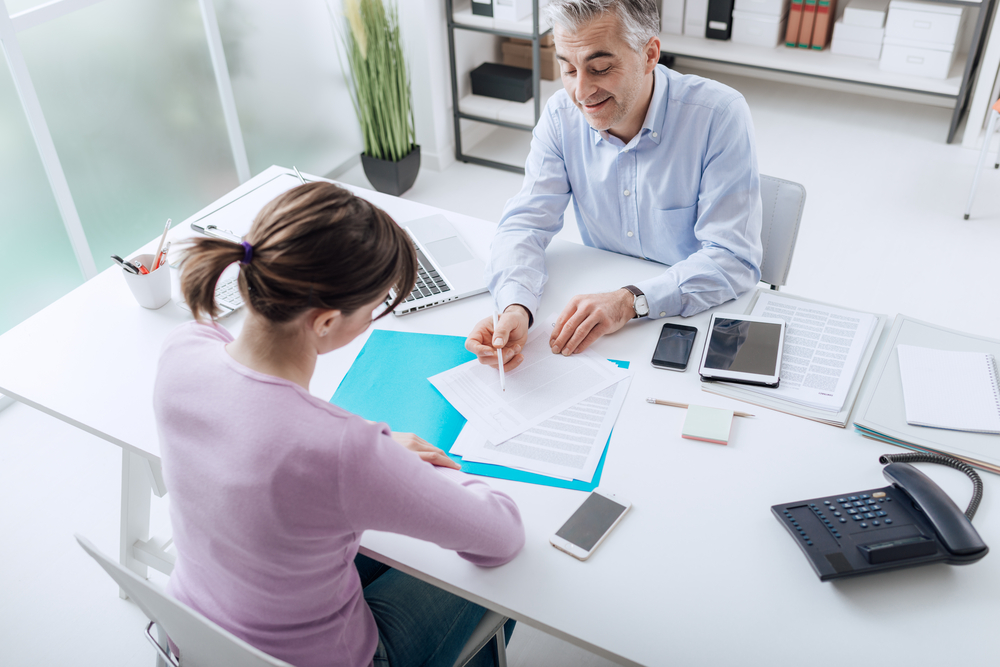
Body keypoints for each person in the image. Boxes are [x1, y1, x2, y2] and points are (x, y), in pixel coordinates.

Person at [154, 182, 524, 667]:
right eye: (372, 309)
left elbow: (256, 414)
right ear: (325, 322)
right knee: (505, 591)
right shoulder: (344, 451)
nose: (372, 317)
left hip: (195, 641)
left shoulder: (182, 349)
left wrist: (376, 458)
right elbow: (500, 537)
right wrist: (400, 464)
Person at [466, 0, 763, 372]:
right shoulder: (561, 117)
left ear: (650, 54)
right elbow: (524, 225)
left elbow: (735, 258)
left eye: (600, 68)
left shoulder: (719, 116)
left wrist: (629, 301)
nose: (581, 91)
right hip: (603, 340)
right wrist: (516, 305)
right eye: (568, 68)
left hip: (690, 319)